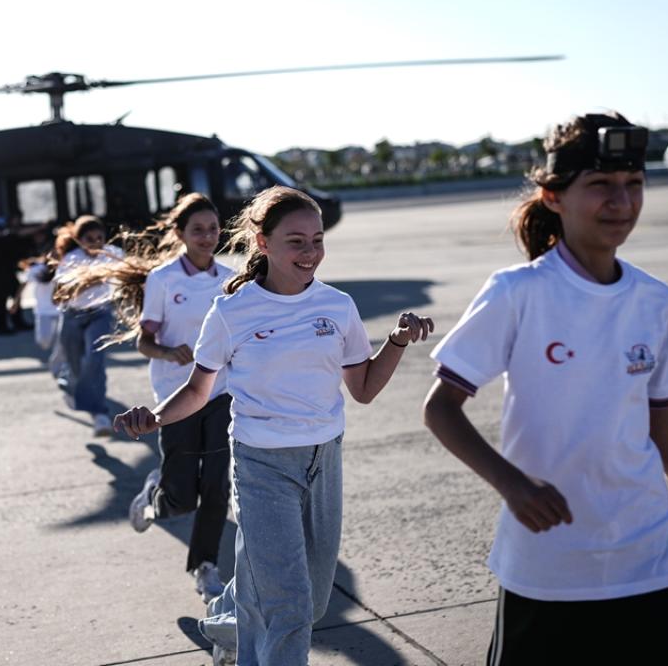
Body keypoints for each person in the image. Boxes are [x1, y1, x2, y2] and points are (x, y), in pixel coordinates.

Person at [422, 113, 668, 665]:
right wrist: (513, 485)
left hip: (647, 559)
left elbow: (665, 426)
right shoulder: (517, 294)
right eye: (600, 186)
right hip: (547, 569)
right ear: (553, 196)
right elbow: (441, 409)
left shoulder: (654, 300)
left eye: (633, 185)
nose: (621, 201)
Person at [115, 186, 434, 666]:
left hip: (324, 460)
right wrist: (155, 418)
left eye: (317, 240)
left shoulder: (338, 306)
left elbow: (364, 388)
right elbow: (199, 391)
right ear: (262, 243)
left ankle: (228, 626)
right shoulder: (231, 312)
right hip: (261, 464)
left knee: (313, 599)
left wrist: (396, 341)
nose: (310, 253)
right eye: (296, 241)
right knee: (291, 606)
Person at [61, 193, 237, 602]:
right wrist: (167, 351)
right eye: (198, 230)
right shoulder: (162, 280)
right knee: (180, 498)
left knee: (216, 485)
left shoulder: (230, 278)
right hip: (175, 395)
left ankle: (205, 568)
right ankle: (155, 494)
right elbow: (144, 341)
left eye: (213, 229)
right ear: (179, 233)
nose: (208, 237)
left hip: (221, 392)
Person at [53, 215, 122, 435]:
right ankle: (68, 382)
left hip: (101, 313)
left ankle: (100, 414)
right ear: (80, 241)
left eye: (99, 237)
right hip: (73, 314)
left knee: (95, 360)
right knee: (76, 365)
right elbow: (61, 294)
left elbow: (125, 281)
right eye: (90, 239)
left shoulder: (114, 254)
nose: (95, 243)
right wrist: (91, 280)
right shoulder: (71, 259)